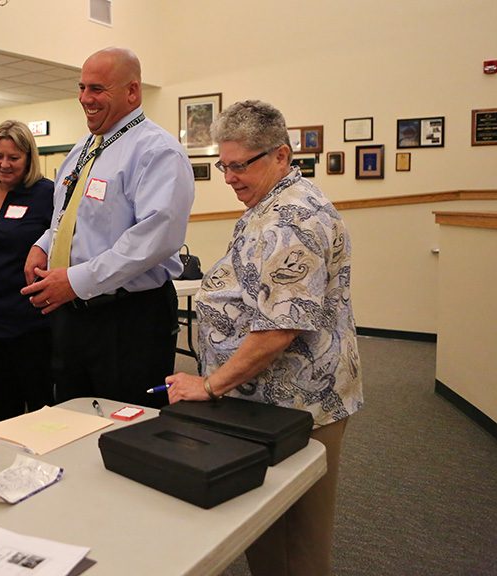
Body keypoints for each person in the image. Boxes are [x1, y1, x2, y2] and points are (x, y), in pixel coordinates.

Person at [165, 100, 363, 576]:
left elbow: (280, 327)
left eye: (240, 165)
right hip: (265, 400)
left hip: (299, 406)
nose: (229, 177)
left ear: (281, 155)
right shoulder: (267, 204)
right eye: (223, 165)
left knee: (297, 544)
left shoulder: (293, 219)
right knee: (267, 530)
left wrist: (210, 385)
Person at [20, 47, 194, 409]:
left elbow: (155, 238)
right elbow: (68, 216)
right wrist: (43, 244)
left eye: (97, 89)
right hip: (74, 317)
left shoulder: (157, 151)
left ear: (132, 91)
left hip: (128, 320)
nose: (85, 98)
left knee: (128, 426)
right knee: (71, 415)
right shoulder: (83, 149)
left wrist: (75, 280)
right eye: (82, 88)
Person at [0, 120, 55, 422]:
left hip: (29, 318)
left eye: (13, 158)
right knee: (2, 402)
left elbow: (61, 241)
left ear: (29, 158)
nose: (4, 164)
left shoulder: (46, 194)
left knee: (39, 401)